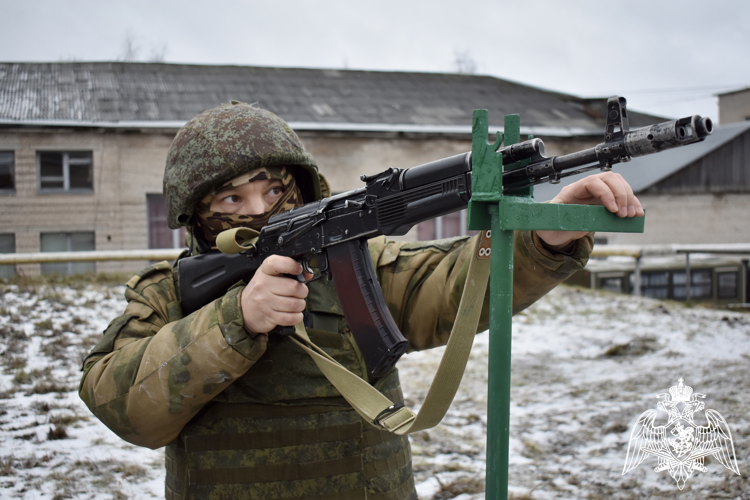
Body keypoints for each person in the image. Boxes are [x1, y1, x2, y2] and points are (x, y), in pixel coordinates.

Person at [79, 102, 644, 500]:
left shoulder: (358, 263)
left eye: (274, 189)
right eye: (232, 197)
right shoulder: (168, 290)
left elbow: (450, 283)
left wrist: (545, 234)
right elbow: (119, 402)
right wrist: (236, 320)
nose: (260, 209)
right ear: (196, 212)